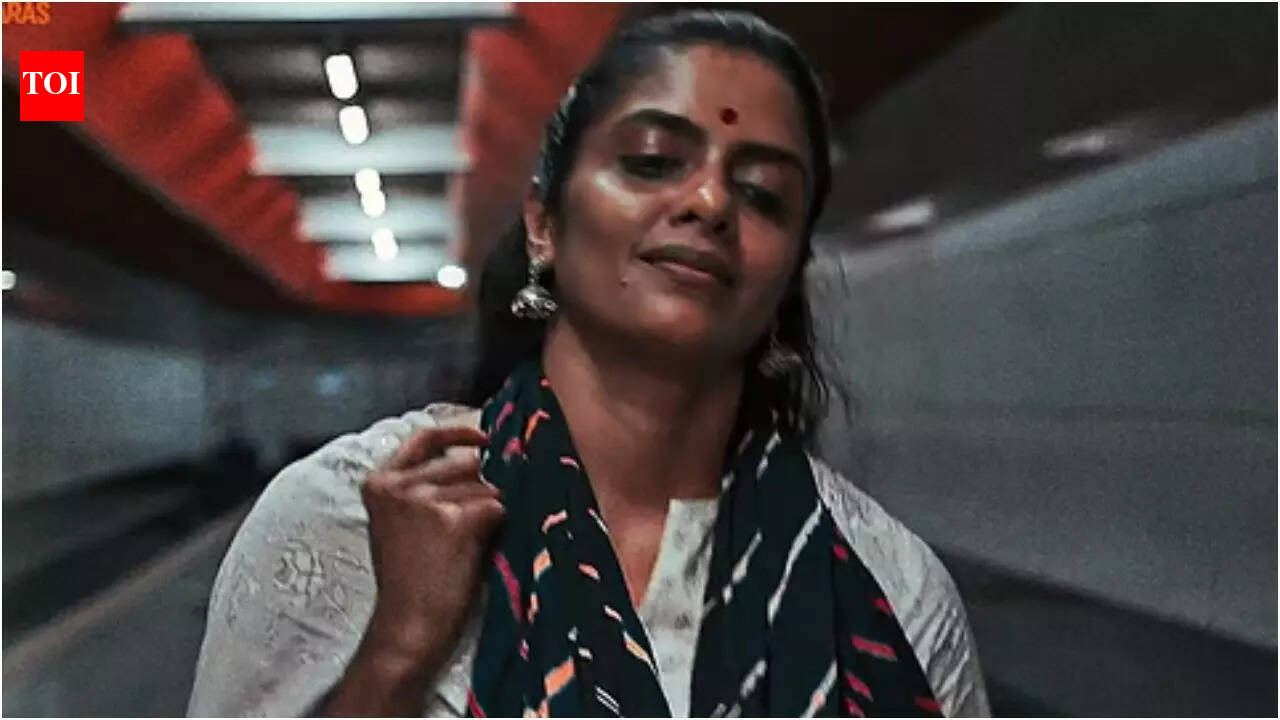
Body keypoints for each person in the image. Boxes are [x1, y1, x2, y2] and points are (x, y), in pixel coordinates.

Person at [188, 10, 990, 718]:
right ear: (544, 224)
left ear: (787, 272)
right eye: (652, 160)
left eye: (763, 194)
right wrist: (397, 653)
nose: (711, 203)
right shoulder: (346, 524)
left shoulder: (888, 584)